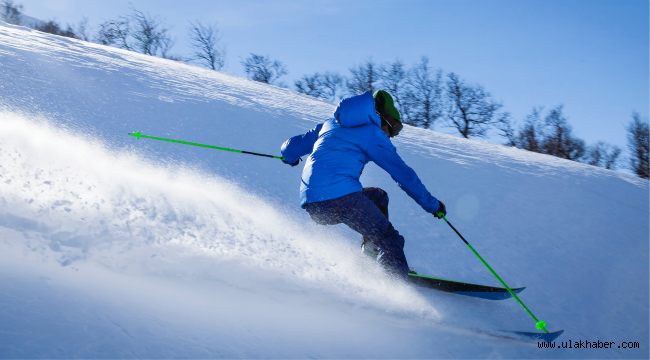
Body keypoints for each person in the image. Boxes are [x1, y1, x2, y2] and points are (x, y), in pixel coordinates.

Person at [280, 90, 445, 280]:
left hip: (313, 205)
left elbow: (291, 147)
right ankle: (394, 282)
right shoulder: (373, 134)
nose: (392, 136)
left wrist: (290, 158)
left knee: (378, 197)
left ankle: (371, 256)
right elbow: (403, 174)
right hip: (341, 198)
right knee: (389, 238)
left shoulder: (329, 124)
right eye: (394, 129)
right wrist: (432, 205)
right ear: (384, 118)